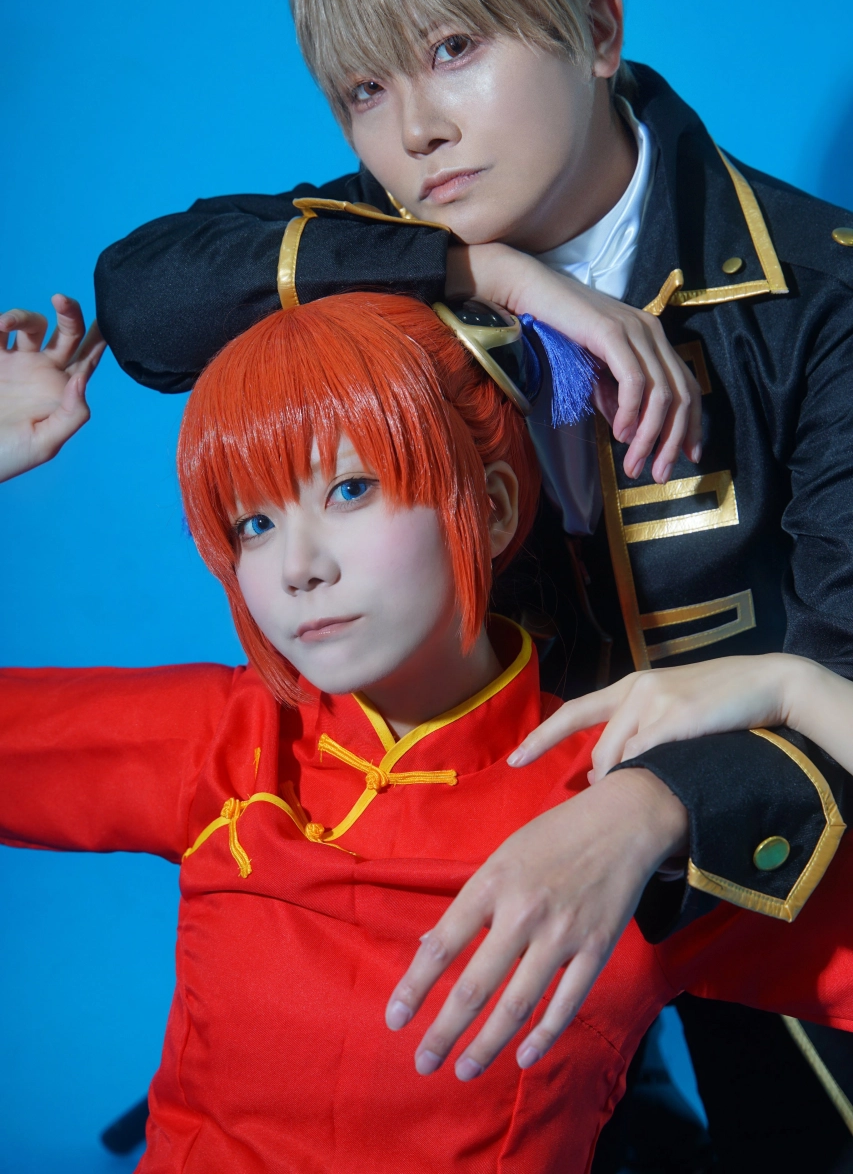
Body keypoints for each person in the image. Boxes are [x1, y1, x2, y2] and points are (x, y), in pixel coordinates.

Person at [80, 0, 853, 1164]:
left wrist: (648, 808)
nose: (416, 131)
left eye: (454, 50)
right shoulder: (407, 240)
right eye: (365, 90)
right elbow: (144, 296)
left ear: (596, 29)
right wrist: (479, 273)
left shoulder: (818, 299)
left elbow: (842, 672)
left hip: (757, 851)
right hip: (464, 853)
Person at [2, 289, 853, 1174]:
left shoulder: (628, 809)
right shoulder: (224, 741)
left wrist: (794, 687)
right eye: (254, 523)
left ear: (491, 507)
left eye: (350, 489)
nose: (297, 567)